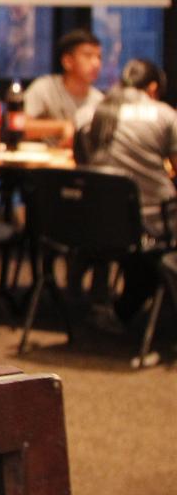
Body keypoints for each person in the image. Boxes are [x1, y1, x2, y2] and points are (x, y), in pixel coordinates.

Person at [76, 58, 177, 327]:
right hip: (152, 225)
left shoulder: (91, 112)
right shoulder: (164, 114)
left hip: (98, 221)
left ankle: (113, 308)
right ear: (153, 88)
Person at [23, 28, 104, 147]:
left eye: (99, 57)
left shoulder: (99, 101)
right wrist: (62, 127)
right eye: (88, 56)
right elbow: (19, 126)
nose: (96, 63)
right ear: (67, 62)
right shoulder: (44, 88)